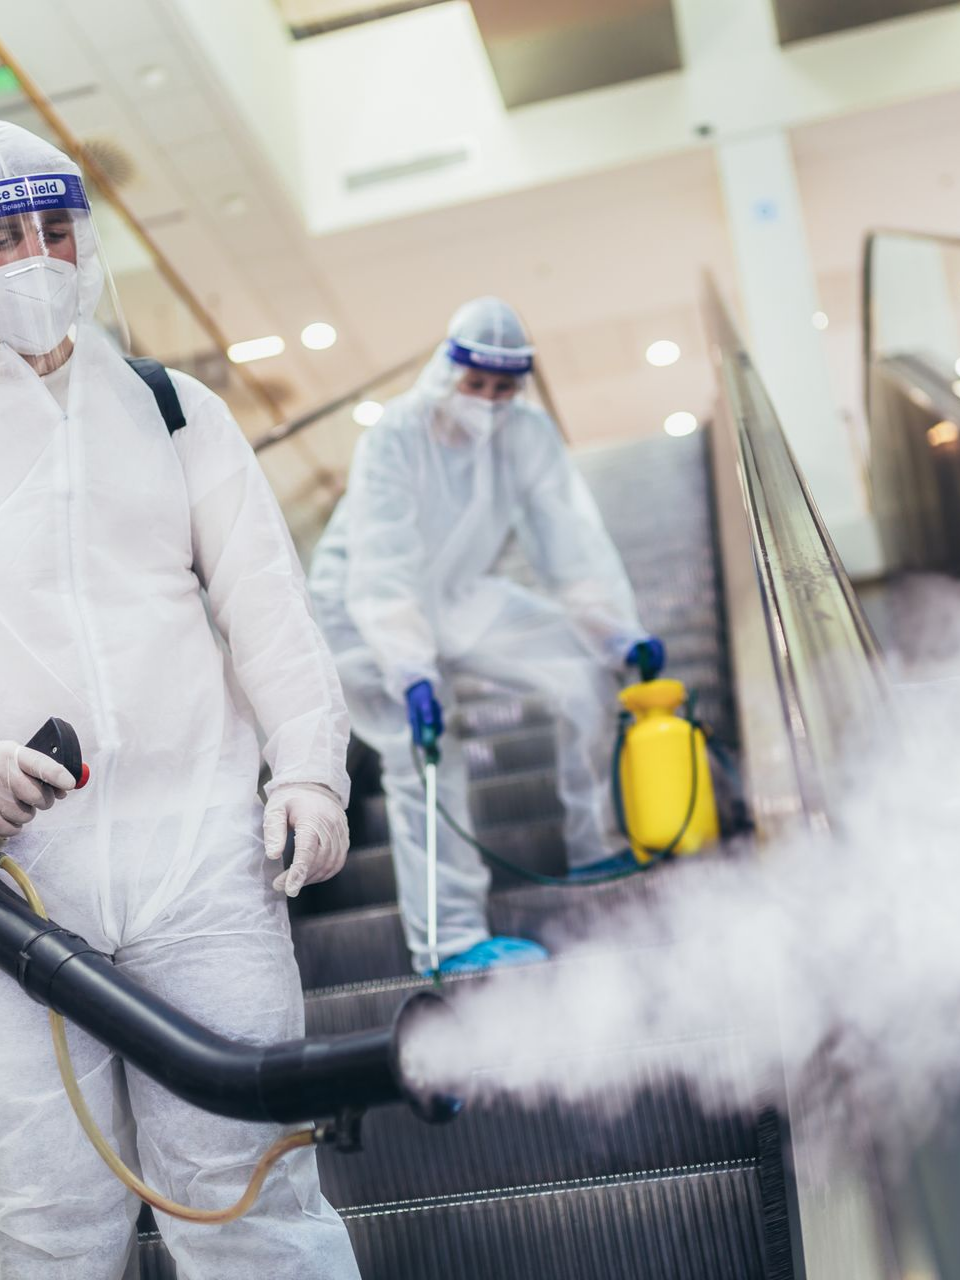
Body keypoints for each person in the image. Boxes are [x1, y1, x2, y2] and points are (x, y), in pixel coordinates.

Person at [0, 124, 361, 1279]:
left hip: (200, 860)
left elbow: (269, 607)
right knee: (49, 1219)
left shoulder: (172, 409)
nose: (39, 259)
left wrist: (308, 767)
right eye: (6, 238)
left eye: (58, 229)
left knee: (248, 1189)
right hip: (20, 891)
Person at [309, 296, 664, 977]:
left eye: (505, 388)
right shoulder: (394, 436)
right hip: (358, 610)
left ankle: (596, 841)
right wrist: (410, 668)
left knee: (583, 671)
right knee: (426, 756)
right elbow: (383, 569)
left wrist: (617, 634)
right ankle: (450, 941)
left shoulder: (525, 433)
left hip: (459, 593)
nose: (489, 401)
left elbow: (568, 540)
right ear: (448, 373)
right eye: (477, 384)